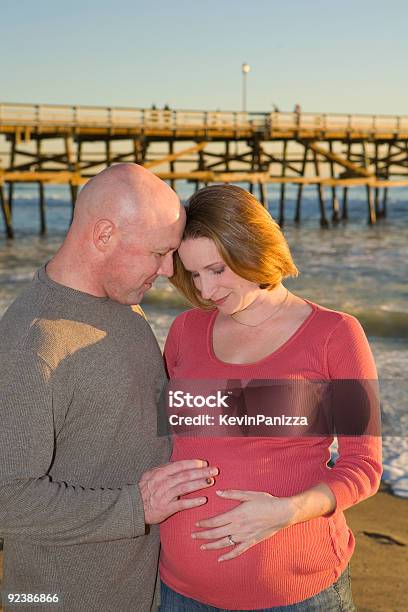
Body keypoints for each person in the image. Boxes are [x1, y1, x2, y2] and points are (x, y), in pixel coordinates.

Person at [0, 164, 218, 612]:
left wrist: (307, 409)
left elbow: (144, 411)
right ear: (104, 235)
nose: (167, 269)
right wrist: (136, 506)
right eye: (159, 253)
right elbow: (8, 498)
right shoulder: (33, 344)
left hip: (147, 590)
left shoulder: (118, 301)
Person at [159, 184, 382, 611]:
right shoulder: (185, 331)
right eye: (194, 274)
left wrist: (287, 511)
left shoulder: (335, 334)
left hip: (295, 593)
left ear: (253, 247)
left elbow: (364, 466)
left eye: (217, 270)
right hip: (180, 590)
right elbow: (170, 440)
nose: (206, 290)